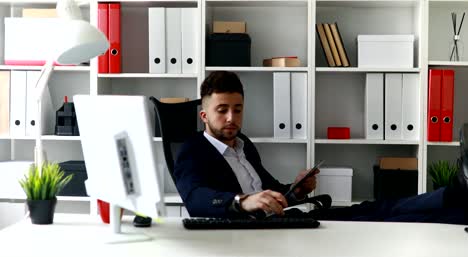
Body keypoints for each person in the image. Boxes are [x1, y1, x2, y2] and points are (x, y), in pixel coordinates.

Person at [174, 71, 468, 224]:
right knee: (379, 214)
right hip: (259, 229)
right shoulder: (193, 150)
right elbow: (195, 198)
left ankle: (457, 200)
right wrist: (242, 201)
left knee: (376, 208)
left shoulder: (244, 144)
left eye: (237, 109)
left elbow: (273, 190)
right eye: (222, 110)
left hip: (287, 216)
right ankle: (455, 197)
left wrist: (297, 188)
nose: (230, 118)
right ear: (204, 115)